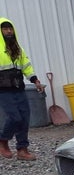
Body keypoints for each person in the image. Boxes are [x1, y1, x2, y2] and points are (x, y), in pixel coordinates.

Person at [0, 17, 44, 161]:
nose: (8, 31)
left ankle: (22, 149)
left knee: (24, 119)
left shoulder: (17, 48)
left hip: (19, 88)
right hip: (3, 90)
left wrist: (35, 80)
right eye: (5, 29)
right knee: (14, 117)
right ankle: (3, 140)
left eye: (10, 28)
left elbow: (26, 66)